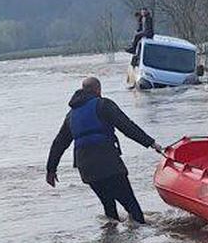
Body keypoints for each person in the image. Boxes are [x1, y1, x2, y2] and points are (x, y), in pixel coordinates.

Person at [46, 76, 163, 223]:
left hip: (86, 168)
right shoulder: (103, 105)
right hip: (108, 162)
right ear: (98, 90)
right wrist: (151, 143)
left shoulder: (71, 115)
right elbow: (127, 126)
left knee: (109, 206)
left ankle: (112, 235)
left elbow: (59, 143)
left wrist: (51, 170)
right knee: (131, 205)